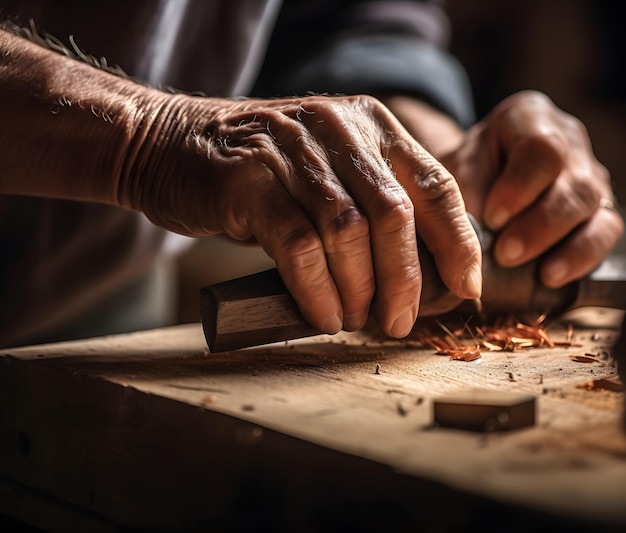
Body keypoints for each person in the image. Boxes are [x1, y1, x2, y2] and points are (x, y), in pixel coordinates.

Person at [0, 0, 622, 348]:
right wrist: (144, 138)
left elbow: (340, 18)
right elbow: (150, 140)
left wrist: (424, 155)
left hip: (90, 296)